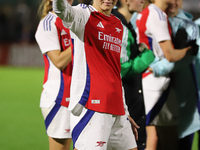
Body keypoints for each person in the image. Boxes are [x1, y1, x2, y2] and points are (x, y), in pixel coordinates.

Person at [53, 0, 139, 150]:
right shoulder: (84, 15)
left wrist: (124, 110)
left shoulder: (117, 24)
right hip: (92, 105)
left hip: (117, 108)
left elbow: (114, 71)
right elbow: (62, 11)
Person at [136, 0, 192, 149]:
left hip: (149, 80)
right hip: (159, 84)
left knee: (152, 138)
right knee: (169, 139)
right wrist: (188, 50)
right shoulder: (157, 14)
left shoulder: (146, 12)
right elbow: (170, 55)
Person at [112, 0, 155, 149]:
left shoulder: (126, 24)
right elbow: (120, 68)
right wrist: (147, 57)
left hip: (125, 97)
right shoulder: (119, 25)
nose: (143, 1)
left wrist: (137, 51)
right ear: (125, 1)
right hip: (124, 98)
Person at [35, 0, 73, 149]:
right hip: (61, 97)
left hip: (81, 96)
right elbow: (58, 61)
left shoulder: (76, 18)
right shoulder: (48, 23)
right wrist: (81, 39)